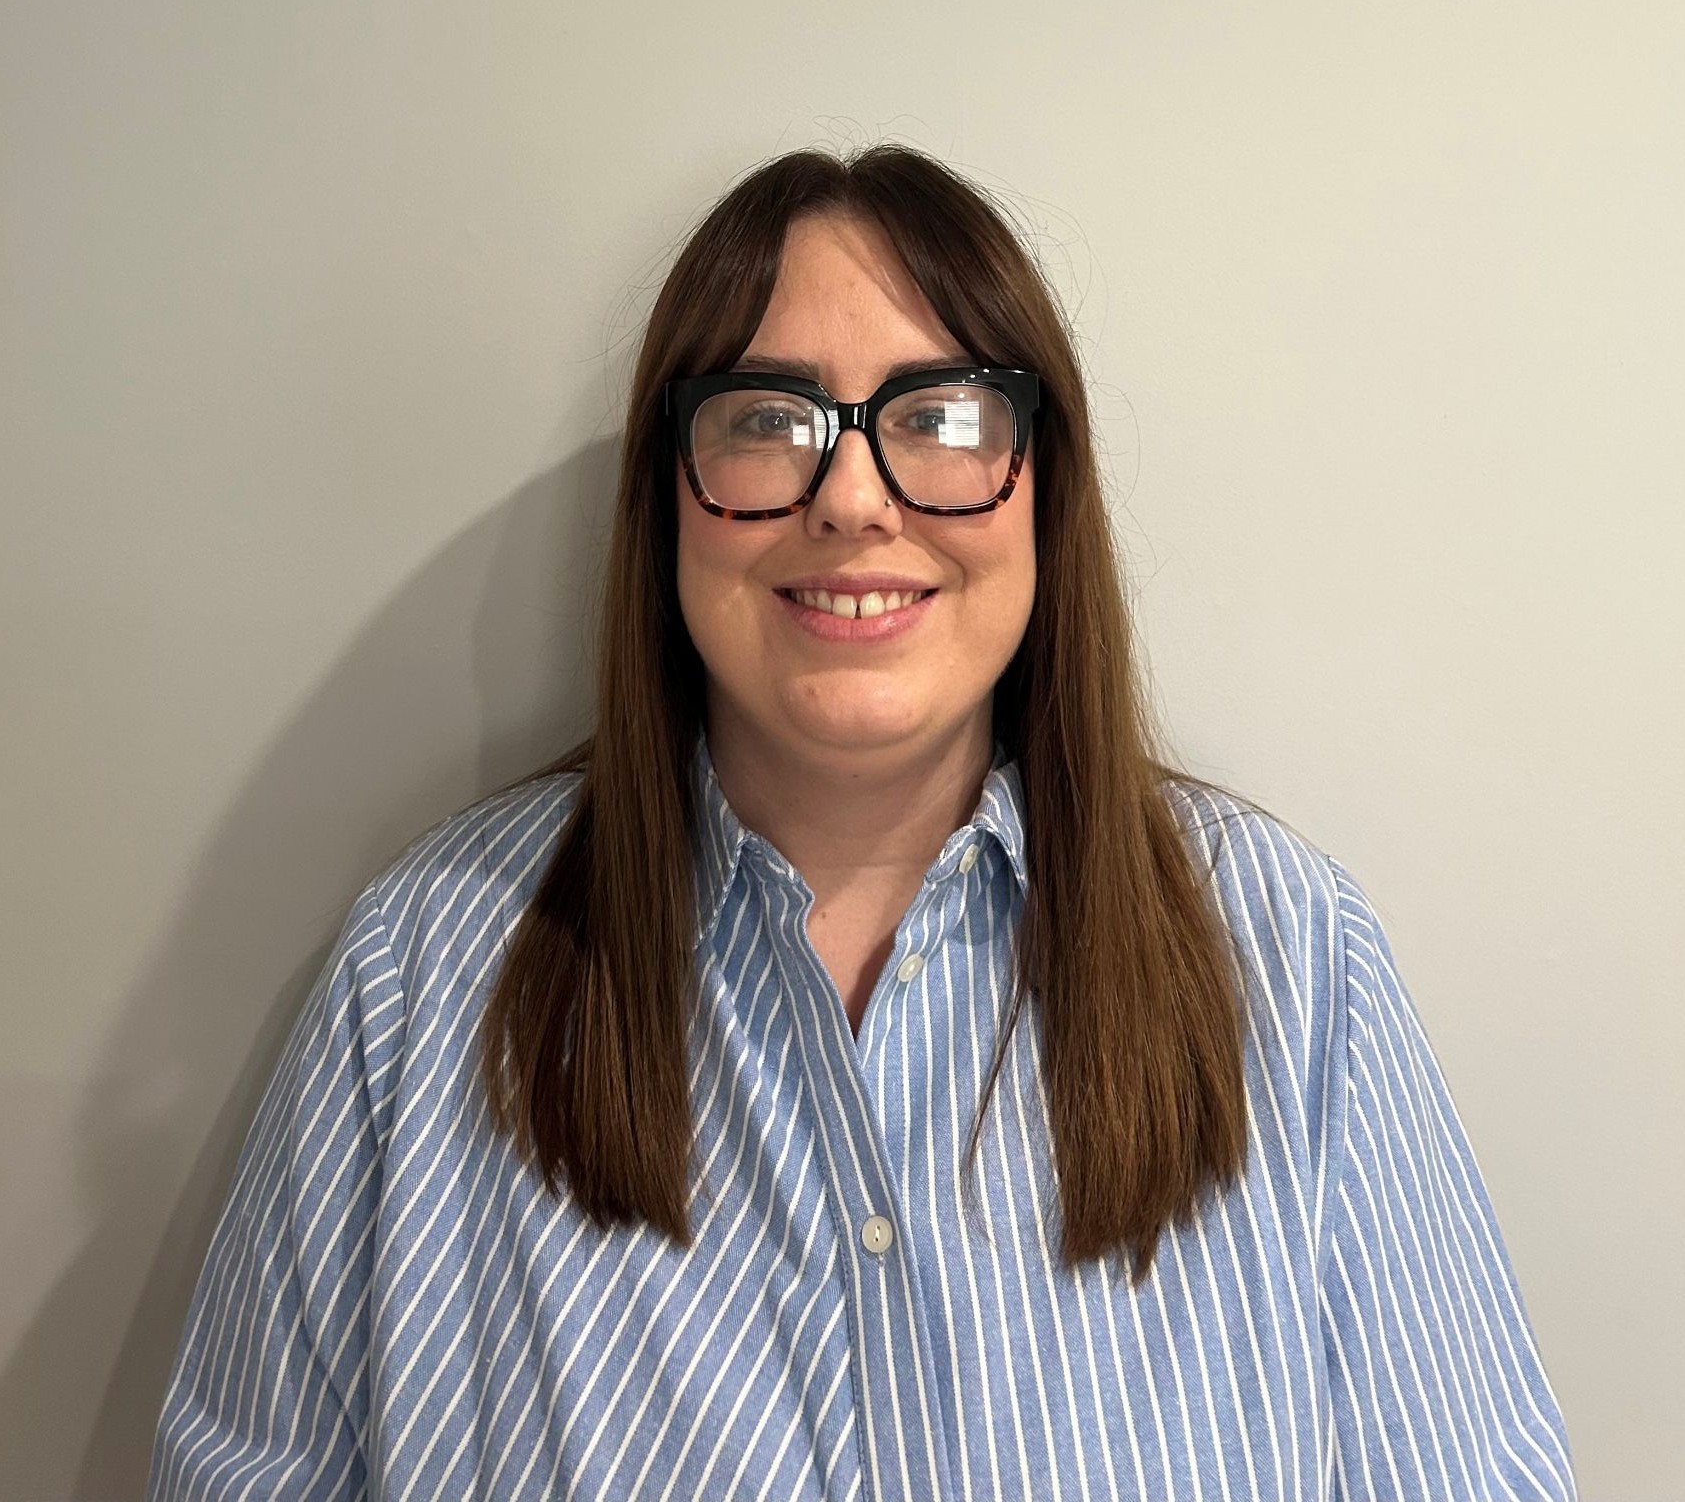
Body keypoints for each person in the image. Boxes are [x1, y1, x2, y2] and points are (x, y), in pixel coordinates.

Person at [147, 144, 1576, 1501]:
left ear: (1043, 490)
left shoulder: (1288, 954)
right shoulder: (421, 978)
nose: (849, 500)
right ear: (668, 502)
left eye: (940, 417)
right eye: (765, 421)